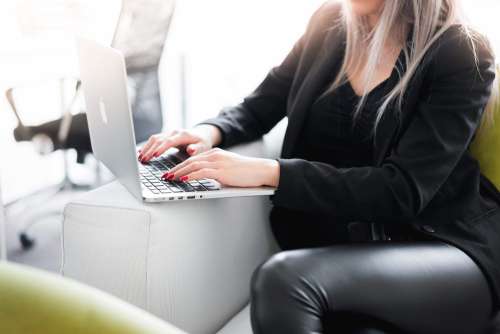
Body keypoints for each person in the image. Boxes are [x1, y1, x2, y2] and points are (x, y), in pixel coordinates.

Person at [139, 0, 499, 332]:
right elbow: (263, 102)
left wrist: (271, 172)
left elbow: (402, 190)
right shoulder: (330, 22)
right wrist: (207, 132)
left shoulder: (460, 52)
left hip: (440, 245)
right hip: (351, 253)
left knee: (285, 280)